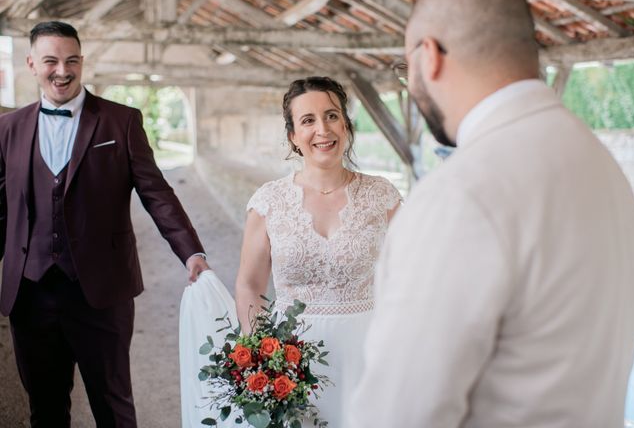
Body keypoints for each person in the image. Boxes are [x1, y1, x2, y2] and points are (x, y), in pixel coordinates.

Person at [348, 0, 634, 428]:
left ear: (430, 56)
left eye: (407, 68)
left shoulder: (461, 196)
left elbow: (397, 415)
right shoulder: (605, 169)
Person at [0, 21, 210, 427]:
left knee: (113, 406)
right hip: (29, 294)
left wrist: (191, 252)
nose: (62, 70)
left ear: (82, 62)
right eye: (51, 61)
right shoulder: (7, 129)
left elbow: (157, 194)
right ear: (31, 64)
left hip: (102, 292)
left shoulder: (121, 122)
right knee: (44, 408)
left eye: (72, 60)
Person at [233, 76, 401, 427]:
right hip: (291, 359)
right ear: (293, 136)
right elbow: (250, 285)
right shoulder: (268, 202)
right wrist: (259, 356)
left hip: (369, 353)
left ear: (346, 125)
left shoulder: (383, 196)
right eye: (308, 121)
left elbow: (415, 276)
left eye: (331, 116)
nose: (322, 129)